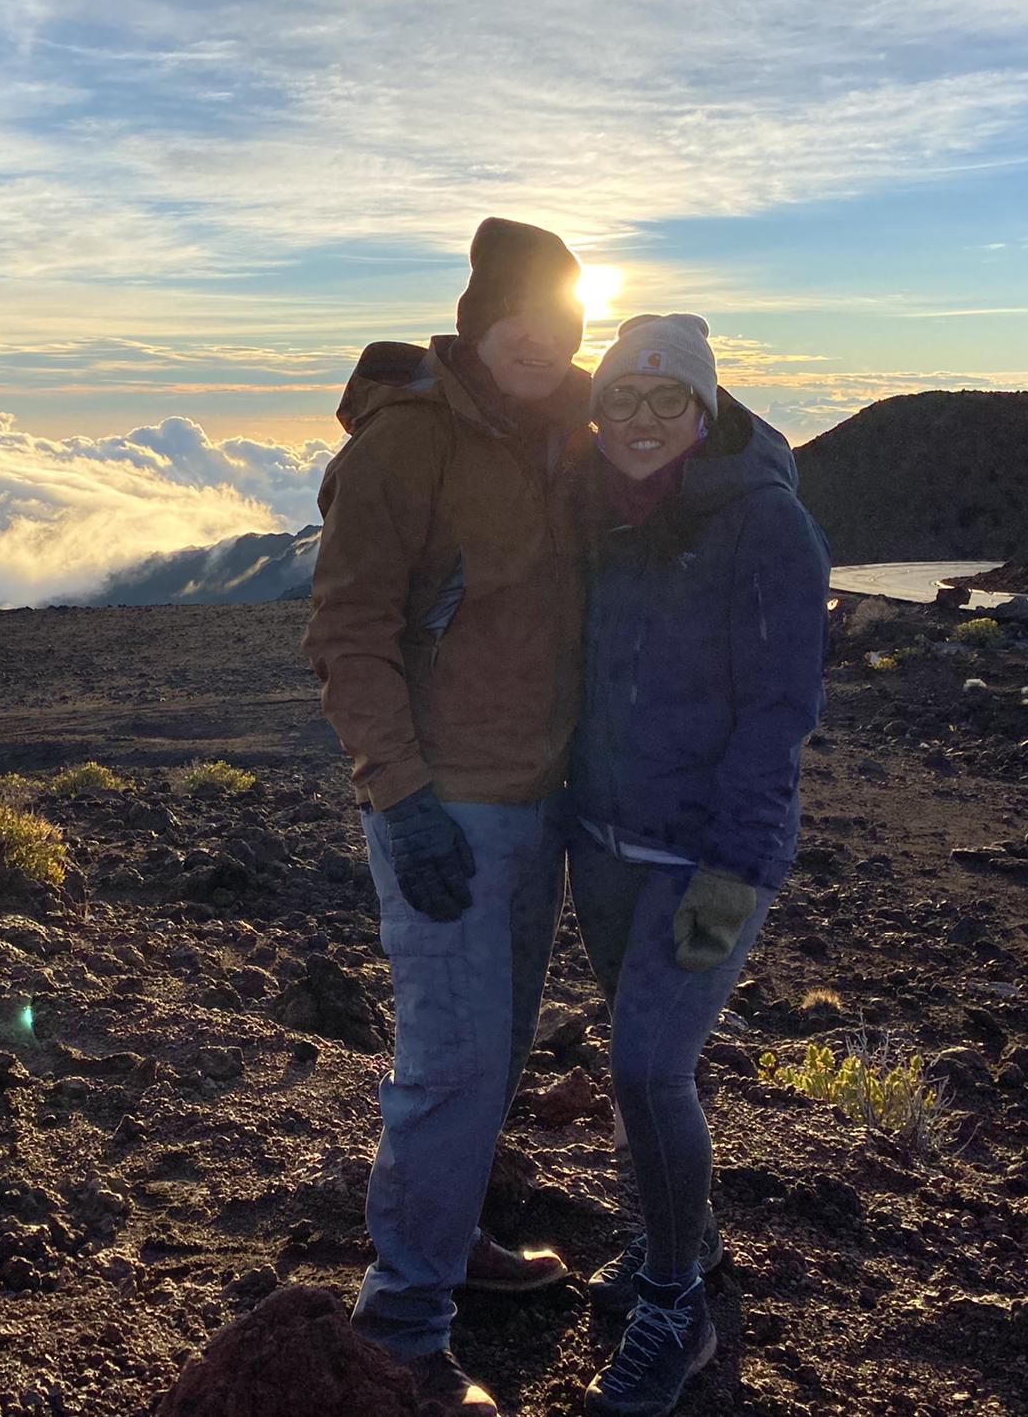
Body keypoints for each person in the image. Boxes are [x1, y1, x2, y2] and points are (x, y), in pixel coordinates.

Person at [303, 217, 596, 1414]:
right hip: (443, 807)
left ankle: (452, 1235)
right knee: (452, 1062)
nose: (537, 345)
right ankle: (405, 1326)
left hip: (542, 799)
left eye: (559, 325)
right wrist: (401, 797)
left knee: (500, 1053)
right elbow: (346, 632)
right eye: (515, 324)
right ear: (477, 325)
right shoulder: (407, 443)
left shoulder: (569, 434)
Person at [567, 314, 830, 1416]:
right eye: (619, 399)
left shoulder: (765, 524)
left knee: (644, 1068)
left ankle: (674, 1304)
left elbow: (778, 716)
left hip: (709, 855)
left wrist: (732, 868)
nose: (637, 420)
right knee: (637, 1060)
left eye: (662, 400)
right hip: (605, 844)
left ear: (703, 410)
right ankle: (686, 1240)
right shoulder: (600, 512)